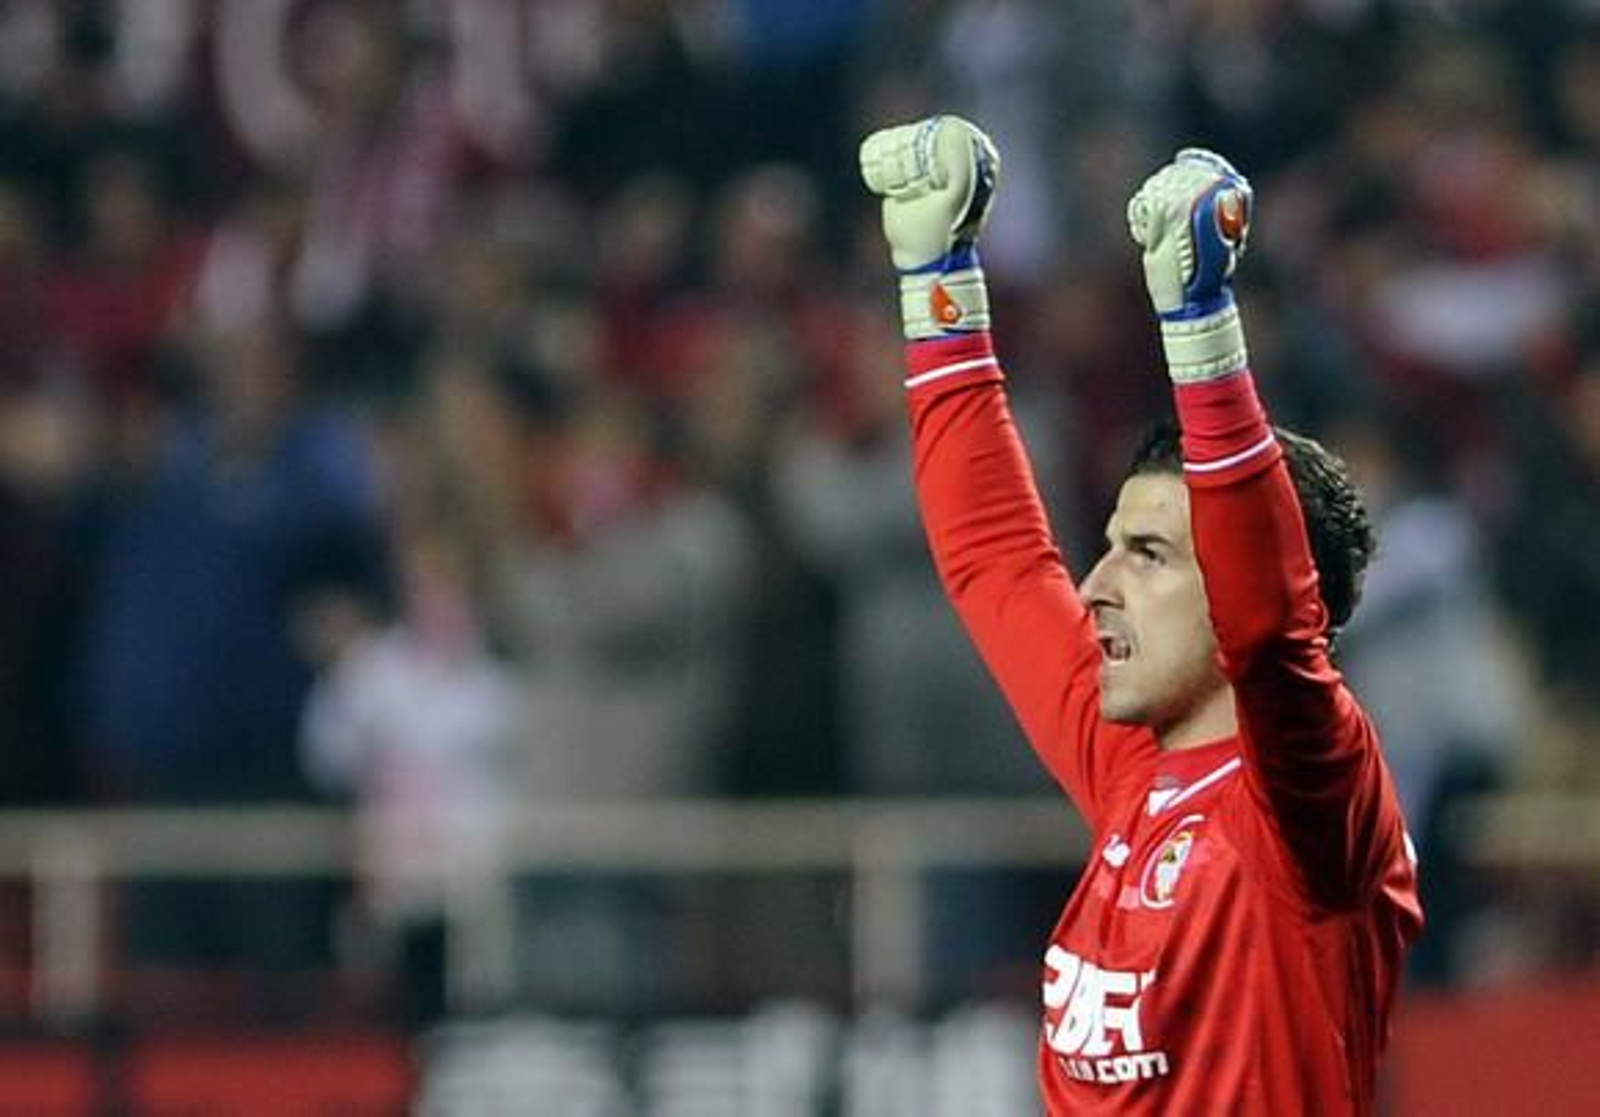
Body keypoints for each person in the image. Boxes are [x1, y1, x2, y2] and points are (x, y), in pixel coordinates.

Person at [859, 117, 1423, 1112]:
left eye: (1149, 553)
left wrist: (1200, 329)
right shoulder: (1136, 770)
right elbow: (997, 560)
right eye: (1112, 544)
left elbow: (1270, 633)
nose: (1095, 584)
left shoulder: (1315, 811)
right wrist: (936, 281)